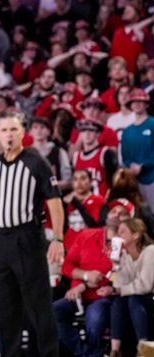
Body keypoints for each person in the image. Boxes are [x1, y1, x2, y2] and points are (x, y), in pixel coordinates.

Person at [0, 111, 64, 357]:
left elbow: (54, 201)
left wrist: (57, 238)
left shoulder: (36, 162)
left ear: (23, 133)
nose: (9, 134)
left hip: (28, 237)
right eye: (4, 130)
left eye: (13, 129)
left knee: (38, 305)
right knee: (5, 305)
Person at [53, 203, 121, 357]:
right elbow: (67, 266)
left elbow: (120, 274)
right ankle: (90, 354)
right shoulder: (86, 235)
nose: (116, 214)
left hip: (104, 296)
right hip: (77, 296)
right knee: (53, 312)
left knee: (95, 319)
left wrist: (85, 284)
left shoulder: (127, 244)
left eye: (122, 213)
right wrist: (85, 275)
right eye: (114, 210)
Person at [108, 218, 154, 357]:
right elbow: (119, 286)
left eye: (122, 231)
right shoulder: (124, 255)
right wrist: (116, 265)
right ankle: (115, 351)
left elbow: (145, 285)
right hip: (137, 298)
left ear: (136, 235)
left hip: (150, 296)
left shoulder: (151, 251)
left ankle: (144, 349)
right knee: (119, 302)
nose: (118, 234)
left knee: (134, 300)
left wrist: (120, 290)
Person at [120, 88, 154, 209]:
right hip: (134, 179)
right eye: (134, 102)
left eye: (140, 101)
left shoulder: (152, 123)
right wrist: (131, 165)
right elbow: (125, 155)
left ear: (146, 104)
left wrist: (144, 165)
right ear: (130, 105)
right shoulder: (127, 131)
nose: (137, 104)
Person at [72, 119, 118, 197]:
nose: (87, 134)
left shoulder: (105, 153)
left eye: (91, 130)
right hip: (83, 204)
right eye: (83, 131)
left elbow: (114, 183)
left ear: (98, 133)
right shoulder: (76, 156)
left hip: (102, 202)